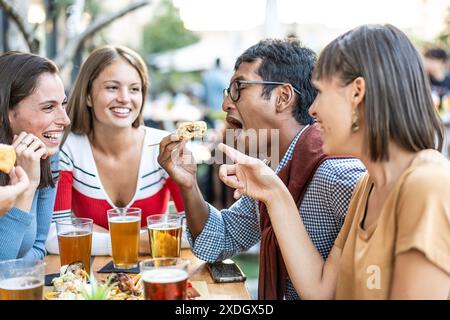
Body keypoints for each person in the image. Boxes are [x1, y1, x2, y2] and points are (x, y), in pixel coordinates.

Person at [217, 24, 450, 299]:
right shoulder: (367, 186)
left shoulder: (427, 185)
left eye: (321, 92)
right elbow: (320, 290)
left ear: (356, 93)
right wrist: (272, 191)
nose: (313, 109)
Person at [158, 39, 366, 299]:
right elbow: (218, 240)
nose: (225, 105)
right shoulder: (273, 169)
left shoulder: (338, 175)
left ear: (282, 97)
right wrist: (189, 184)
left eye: (238, 89)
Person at [47, 45, 184, 256]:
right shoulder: (67, 149)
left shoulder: (164, 147)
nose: (124, 98)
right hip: (89, 282)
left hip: (155, 274)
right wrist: (143, 241)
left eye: (134, 89)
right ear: (88, 96)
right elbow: (56, 237)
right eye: (112, 87)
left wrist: (93, 234)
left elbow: (196, 232)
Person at [0, 51, 70, 261]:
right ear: (5, 115)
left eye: (63, 104)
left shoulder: (46, 153)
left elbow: (39, 247)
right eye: (49, 107)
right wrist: (27, 185)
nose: (65, 119)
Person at [423, 47, 450, 112]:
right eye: (427, 60)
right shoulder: (424, 80)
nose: (428, 64)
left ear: (442, 62)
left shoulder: (448, 81)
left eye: (432, 60)